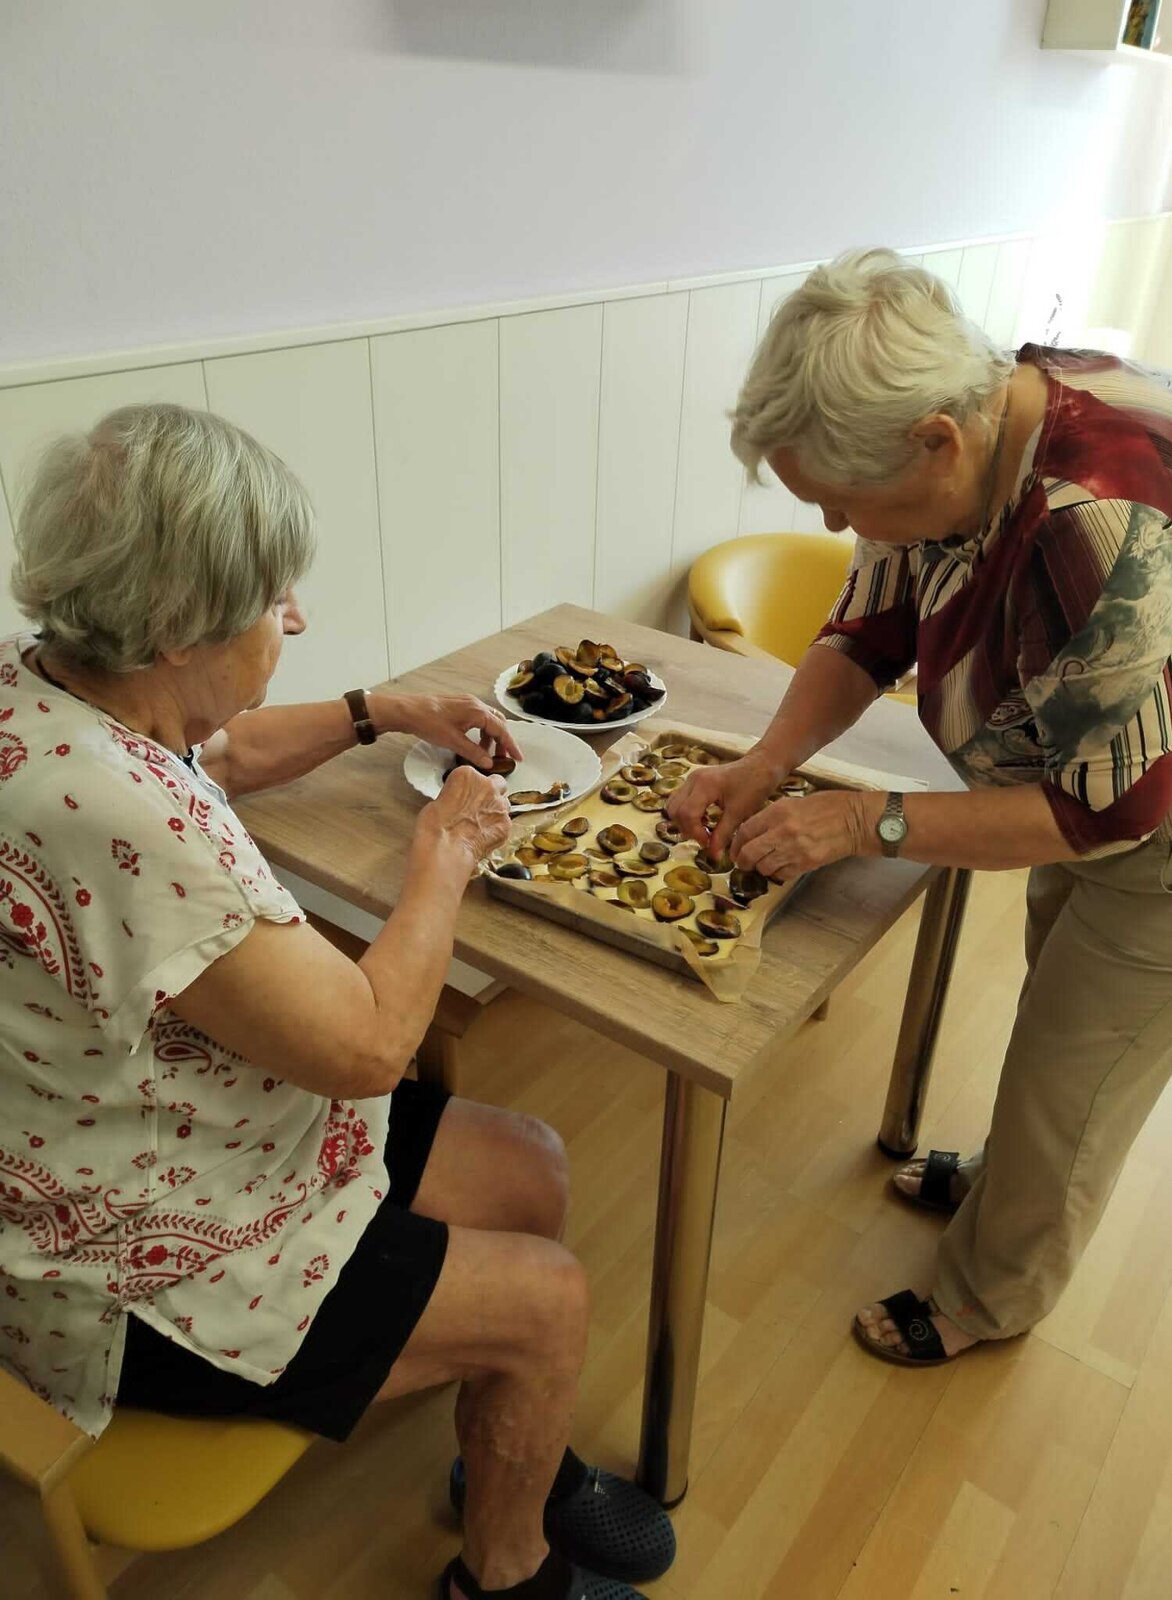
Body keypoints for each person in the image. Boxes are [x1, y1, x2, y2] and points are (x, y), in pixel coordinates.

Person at [0, 403, 674, 1600]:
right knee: (551, 1300)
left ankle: (511, 1450)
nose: (297, 617)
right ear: (175, 628)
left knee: (529, 1167)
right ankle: (508, 1572)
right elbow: (368, 1045)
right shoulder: (116, 815)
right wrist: (446, 853)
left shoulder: (53, 685)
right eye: (275, 600)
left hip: (185, 1134)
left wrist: (384, 711)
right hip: (127, 1265)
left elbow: (220, 752)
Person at [669, 249, 1172, 1368]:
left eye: (841, 498)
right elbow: (869, 628)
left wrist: (866, 820)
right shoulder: (968, 414)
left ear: (936, 443)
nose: (831, 520)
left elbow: (1110, 815)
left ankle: (988, 1295)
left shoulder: (1089, 522)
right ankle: (1012, 1181)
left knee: (1081, 1068)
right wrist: (769, 759)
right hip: (1090, 770)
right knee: (1055, 1000)